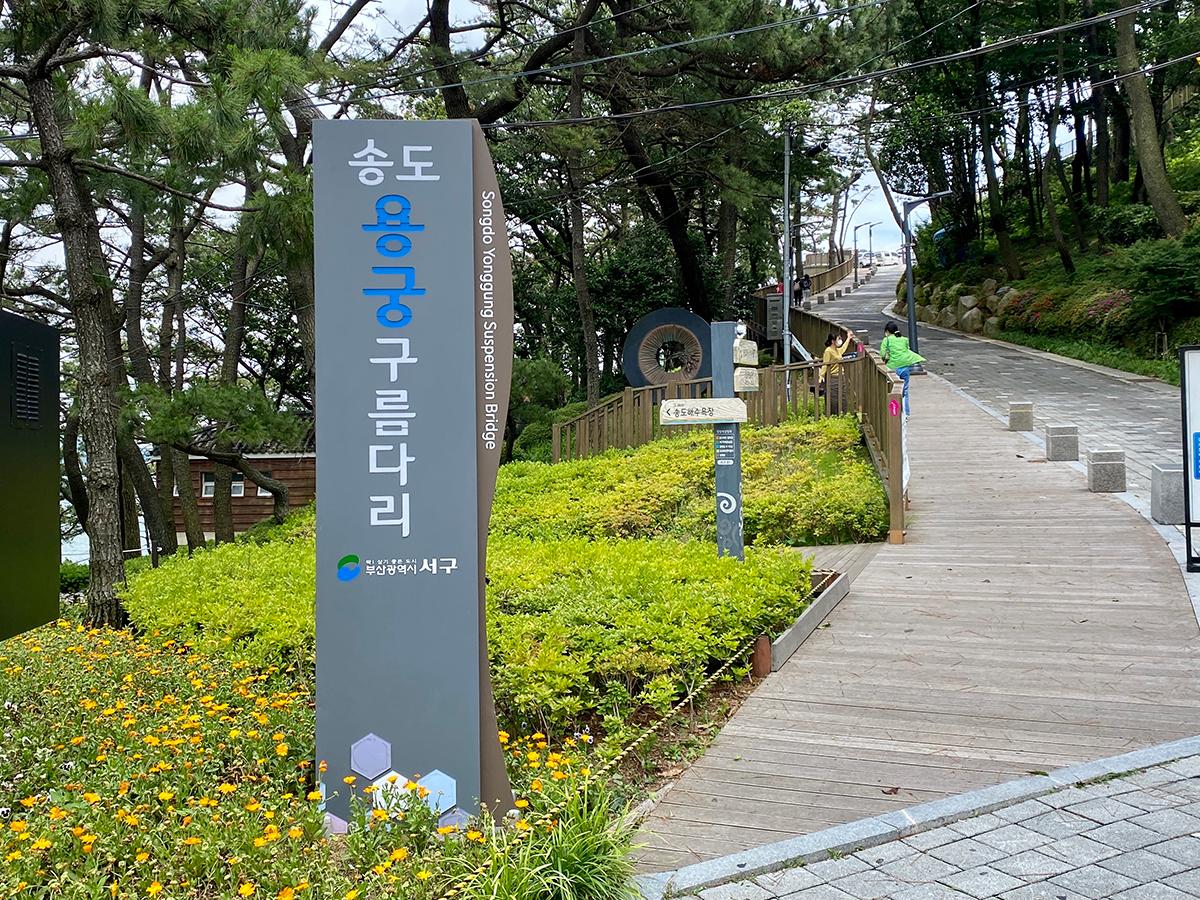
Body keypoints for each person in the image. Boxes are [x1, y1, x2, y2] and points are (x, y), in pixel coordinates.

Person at [880, 321, 925, 415]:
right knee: (905, 391)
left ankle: (893, 413)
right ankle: (906, 413)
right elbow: (907, 350)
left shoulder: (886, 340)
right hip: (905, 367)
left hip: (892, 368)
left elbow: (883, 354)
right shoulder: (904, 339)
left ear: (887, 331)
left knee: (891, 391)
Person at [820, 328, 855, 413]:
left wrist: (848, 338)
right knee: (834, 399)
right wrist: (821, 376)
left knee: (843, 398)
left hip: (841, 377)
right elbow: (825, 364)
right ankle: (833, 417)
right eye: (838, 339)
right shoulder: (828, 351)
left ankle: (843, 415)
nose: (840, 340)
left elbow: (842, 349)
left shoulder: (836, 350)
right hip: (833, 378)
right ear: (833, 341)